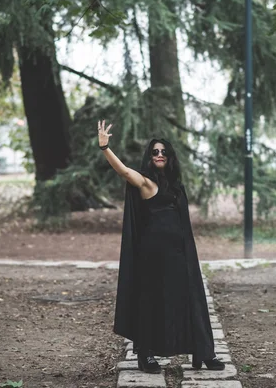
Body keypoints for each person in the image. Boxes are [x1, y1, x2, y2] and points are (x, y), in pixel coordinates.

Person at [97, 120, 224, 374]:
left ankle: (204, 352)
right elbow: (123, 171)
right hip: (152, 257)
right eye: (155, 152)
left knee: (191, 300)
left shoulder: (177, 187)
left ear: (170, 157)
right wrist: (105, 147)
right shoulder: (145, 182)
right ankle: (145, 354)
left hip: (179, 255)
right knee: (151, 302)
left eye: (163, 152)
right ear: (149, 156)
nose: (159, 155)